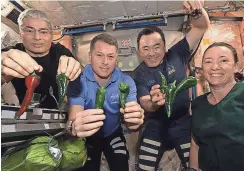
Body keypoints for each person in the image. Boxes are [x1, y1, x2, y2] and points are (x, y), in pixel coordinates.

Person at [132, 1, 210, 170]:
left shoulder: (177, 53)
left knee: (197, 164)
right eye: (145, 48)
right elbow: (144, 102)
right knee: (144, 167)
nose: (151, 53)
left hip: (182, 122)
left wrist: (196, 11)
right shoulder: (138, 73)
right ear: (139, 51)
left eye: (156, 47)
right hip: (155, 125)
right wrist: (153, 102)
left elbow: (201, 27)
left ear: (165, 46)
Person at [67, 33, 144, 171]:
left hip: (113, 134)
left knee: (121, 165)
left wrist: (136, 120)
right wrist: (73, 125)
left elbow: (132, 121)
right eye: (99, 55)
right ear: (90, 56)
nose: (105, 62)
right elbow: (74, 117)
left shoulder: (126, 82)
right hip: (87, 137)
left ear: (116, 59)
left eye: (110, 56)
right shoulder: (78, 81)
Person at [1, 9, 81, 109]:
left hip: (55, 113)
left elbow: (77, 89)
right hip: (19, 113)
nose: (37, 37)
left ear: (51, 35)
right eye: (29, 31)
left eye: (43, 32)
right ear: (20, 33)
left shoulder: (60, 52)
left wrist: (74, 69)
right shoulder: (12, 53)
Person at [189, 42, 244, 171]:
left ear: (236, 67)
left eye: (223, 60)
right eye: (208, 62)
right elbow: (195, 144)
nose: (215, 67)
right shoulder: (197, 104)